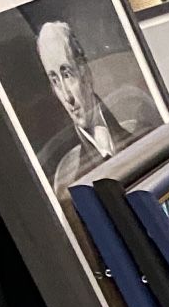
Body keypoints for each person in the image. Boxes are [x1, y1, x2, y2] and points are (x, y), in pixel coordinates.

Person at [36, 19, 158, 186]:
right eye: (55, 81)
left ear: (85, 73)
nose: (67, 96)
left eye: (67, 74)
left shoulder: (141, 131)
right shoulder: (68, 180)